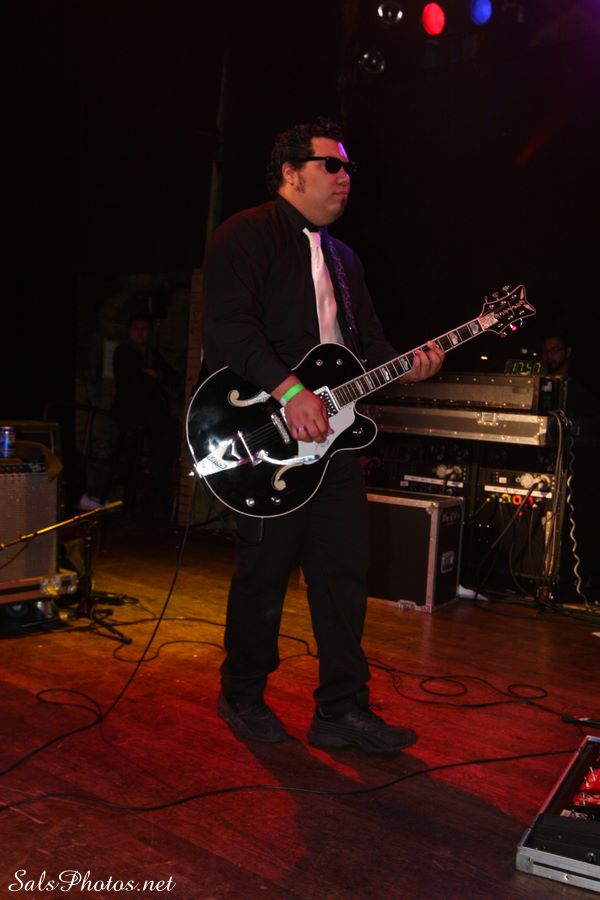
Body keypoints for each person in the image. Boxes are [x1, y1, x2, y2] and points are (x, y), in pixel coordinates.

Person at [201, 116, 445, 754]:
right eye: (330, 165)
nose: (344, 177)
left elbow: (368, 349)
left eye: (348, 168)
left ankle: (341, 710)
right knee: (264, 573)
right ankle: (242, 693)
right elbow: (230, 328)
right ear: (290, 172)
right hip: (265, 434)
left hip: (333, 444)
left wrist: (413, 364)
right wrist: (289, 391)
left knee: (342, 576)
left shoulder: (346, 260)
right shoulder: (245, 234)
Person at [111, 312, 182, 520]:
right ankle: (131, 502)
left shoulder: (152, 354)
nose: (140, 333)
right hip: (131, 413)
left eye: (144, 329)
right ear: (129, 331)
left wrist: (157, 374)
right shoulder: (123, 352)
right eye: (136, 328)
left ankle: (154, 495)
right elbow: (132, 381)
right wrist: (149, 376)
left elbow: (172, 377)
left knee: (165, 439)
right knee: (131, 458)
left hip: (151, 415)